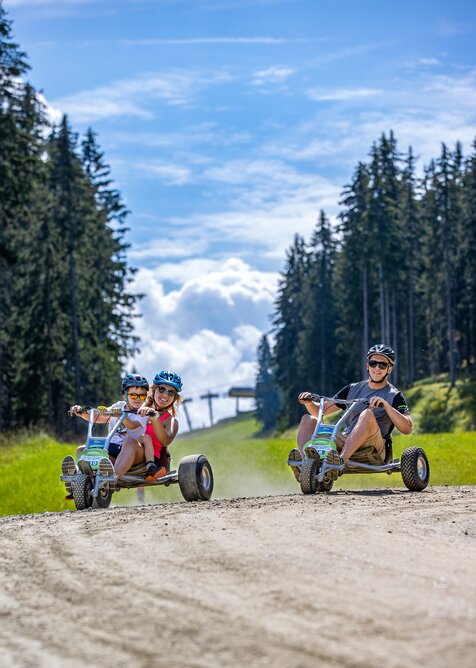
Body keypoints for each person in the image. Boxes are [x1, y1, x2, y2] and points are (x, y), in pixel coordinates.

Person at [289, 344, 413, 481]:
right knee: (308, 419)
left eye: (382, 365)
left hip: (374, 445)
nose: (377, 368)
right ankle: (304, 466)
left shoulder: (394, 395)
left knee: (367, 414)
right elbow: (322, 410)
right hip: (348, 439)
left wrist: (386, 406)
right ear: (367, 366)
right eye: (373, 363)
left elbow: (407, 428)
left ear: (389, 368)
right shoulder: (353, 389)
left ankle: (339, 463)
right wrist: (309, 402)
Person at [63, 373, 151, 498]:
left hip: (133, 452)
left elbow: (132, 425)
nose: (138, 399)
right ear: (125, 396)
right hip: (113, 451)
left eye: (142, 396)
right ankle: (78, 480)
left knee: (129, 441)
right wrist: (81, 412)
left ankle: (112, 478)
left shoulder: (143, 411)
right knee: (82, 450)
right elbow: (99, 417)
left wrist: (120, 415)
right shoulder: (118, 406)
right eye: (133, 395)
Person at [116, 370, 182, 480]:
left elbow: (165, 441)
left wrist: (155, 418)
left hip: (148, 461)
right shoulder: (138, 405)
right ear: (154, 390)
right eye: (161, 389)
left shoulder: (171, 421)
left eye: (171, 393)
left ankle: (112, 478)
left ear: (175, 398)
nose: (165, 394)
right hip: (121, 452)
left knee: (131, 441)